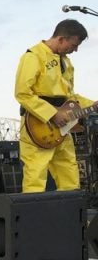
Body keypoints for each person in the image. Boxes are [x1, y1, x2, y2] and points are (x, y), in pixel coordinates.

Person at [15, 19, 96, 193]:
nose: (75, 50)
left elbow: (70, 97)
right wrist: (52, 114)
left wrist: (93, 105)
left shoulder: (66, 62)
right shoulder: (33, 56)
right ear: (61, 39)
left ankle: (73, 218)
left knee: (69, 173)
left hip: (63, 127)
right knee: (35, 176)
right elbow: (22, 93)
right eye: (73, 45)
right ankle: (33, 219)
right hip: (37, 124)